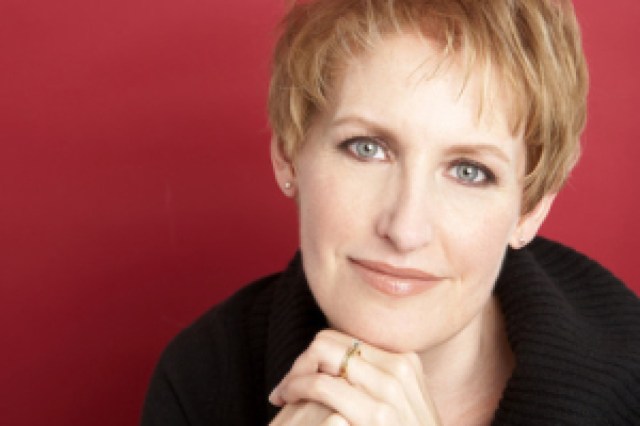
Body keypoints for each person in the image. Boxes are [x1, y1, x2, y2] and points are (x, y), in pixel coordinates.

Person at [141, 0, 640, 424]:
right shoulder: (205, 377)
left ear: (530, 209)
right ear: (289, 153)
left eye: (469, 171)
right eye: (367, 148)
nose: (405, 229)